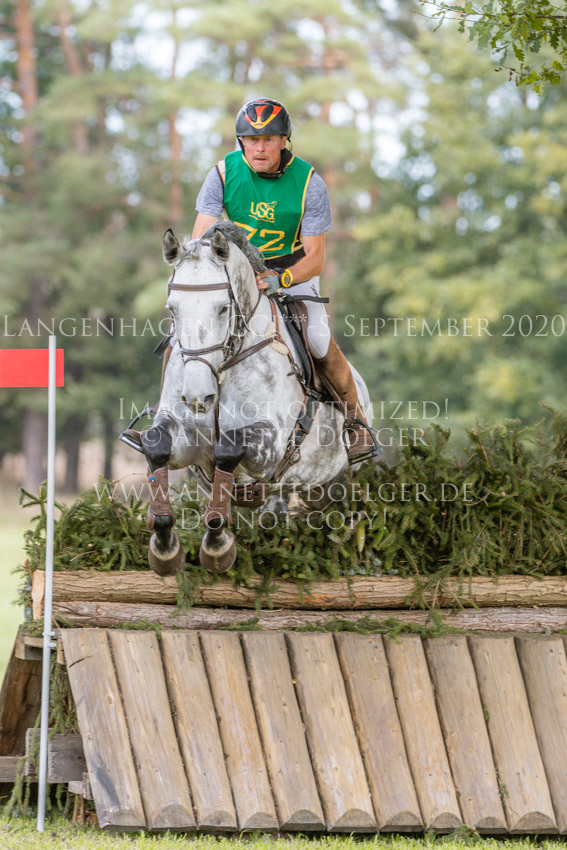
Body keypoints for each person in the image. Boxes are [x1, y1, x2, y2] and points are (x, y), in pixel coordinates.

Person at [192, 97, 378, 463]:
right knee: (193, 328)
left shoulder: (309, 182)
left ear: (283, 141)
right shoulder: (223, 173)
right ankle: (168, 417)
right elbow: (201, 237)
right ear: (241, 141)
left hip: (292, 272)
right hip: (239, 272)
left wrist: (282, 279)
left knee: (318, 337)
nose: (259, 148)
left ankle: (356, 423)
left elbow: (316, 258)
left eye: (268, 139)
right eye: (252, 140)